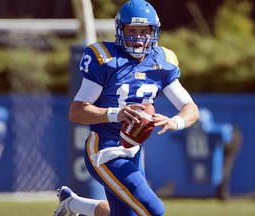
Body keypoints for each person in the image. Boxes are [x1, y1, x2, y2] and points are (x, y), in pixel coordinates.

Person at [54, 0, 199, 215]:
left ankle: (72, 204)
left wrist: (174, 121)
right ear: (120, 30)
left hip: (133, 149)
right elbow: (77, 111)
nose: (138, 37)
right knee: (153, 209)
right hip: (104, 150)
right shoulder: (105, 59)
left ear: (154, 31)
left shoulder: (163, 61)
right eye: (131, 30)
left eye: (143, 31)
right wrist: (115, 114)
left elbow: (190, 108)